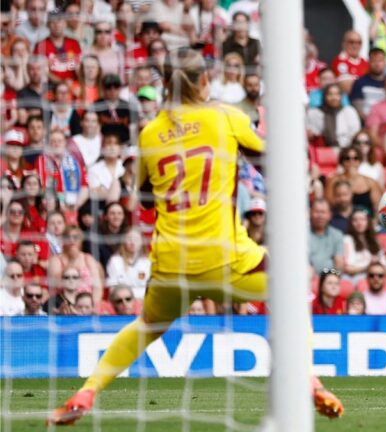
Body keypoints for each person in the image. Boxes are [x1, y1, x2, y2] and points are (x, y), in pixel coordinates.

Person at [47, 48, 343, 425]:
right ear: (204, 80)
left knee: (145, 326)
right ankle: (309, 380)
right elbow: (275, 163)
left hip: (173, 264)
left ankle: (88, 390)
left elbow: (145, 205)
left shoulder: (151, 133)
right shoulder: (226, 117)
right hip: (228, 258)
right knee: (295, 293)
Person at [306, 83, 361, 149]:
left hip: (345, 150)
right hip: (321, 150)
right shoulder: (314, 113)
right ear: (324, 96)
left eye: (337, 94)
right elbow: (312, 133)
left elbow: (355, 134)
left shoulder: (349, 111)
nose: (334, 97)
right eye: (330, 94)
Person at [106, 227, 151, 301]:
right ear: (123, 241)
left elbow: (150, 289)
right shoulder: (115, 261)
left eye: (136, 239)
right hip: (122, 302)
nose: (133, 243)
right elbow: (112, 289)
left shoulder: (147, 262)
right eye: (129, 239)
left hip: (143, 301)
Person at [309, 199, 344, 276]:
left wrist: (333, 278)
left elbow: (339, 263)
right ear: (310, 213)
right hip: (307, 277)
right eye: (317, 212)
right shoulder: (303, 235)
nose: (320, 216)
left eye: (323, 212)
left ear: (329, 215)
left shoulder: (337, 235)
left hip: (329, 278)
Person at [350, 47, 386, 118]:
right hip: (367, 124)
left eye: (380, 61)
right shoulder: (360, 82)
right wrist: (372, 123)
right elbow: (358, 110)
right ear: (368, 62)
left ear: (385, 62)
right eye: (374, 61)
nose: (377, 64)